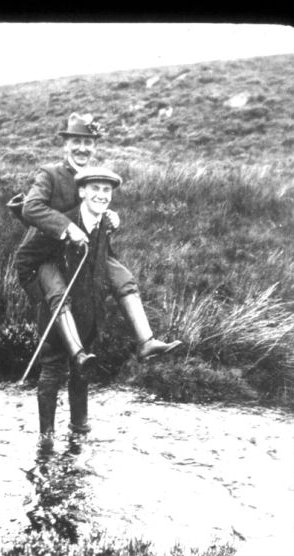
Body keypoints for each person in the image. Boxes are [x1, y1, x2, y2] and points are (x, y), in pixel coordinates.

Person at [21, 165, 179, 454]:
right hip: (57, 313)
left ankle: (79, 431)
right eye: (95, 189)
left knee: (82, 372)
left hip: (89, 310)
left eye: (107, 191)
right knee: (52, 370)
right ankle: (45, 439)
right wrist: (39, 298)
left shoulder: (104, 225)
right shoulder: (61, 224)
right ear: (81, 191)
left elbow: (105, 262)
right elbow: (24, 260)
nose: (101, 195)